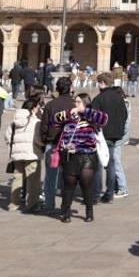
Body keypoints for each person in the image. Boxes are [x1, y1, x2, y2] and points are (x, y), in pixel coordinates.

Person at [52, 93, 109, 223]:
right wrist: (68, 113)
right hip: (70, 156)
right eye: (75, 102)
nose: (75, 104)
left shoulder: (91, 116)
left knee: (86, 184)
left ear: (85, 103)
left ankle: (89, 211)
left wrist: (85, 111)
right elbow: (55, 120)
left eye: (78, 102)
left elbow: (104, 119)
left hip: (87, 155)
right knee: (69, 184)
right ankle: (65, 211)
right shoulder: (70, 116)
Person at [92, 72, 129, 203]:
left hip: (101, 135)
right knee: (110, 164)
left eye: (98, 83)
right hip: (115, 135)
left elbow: (93, 118)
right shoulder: (119, 98)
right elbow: (125, 115)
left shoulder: (98, 99)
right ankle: (109, 192)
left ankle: (96, 193)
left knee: (98, 165)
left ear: (102, 83)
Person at [40, 76, 74, 211]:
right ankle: (66, 205)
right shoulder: (74, 105)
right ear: (70, 88)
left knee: (50, 177)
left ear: (57, 89)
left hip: (52, 144)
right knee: (68, 176)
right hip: (70, 146)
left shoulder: (50, 105)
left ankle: (49, 205)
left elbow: (44, 126)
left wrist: (45, 140)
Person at [5, 94, 42, 212]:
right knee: (33, 180)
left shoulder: (14, 121)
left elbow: (7, 136)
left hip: (17, 155)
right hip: (32, 154)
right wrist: (42, 146)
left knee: (17, 179)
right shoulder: (35, 121)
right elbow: (38, 139)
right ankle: (32, 204)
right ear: (33, 108)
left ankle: (14, 204)